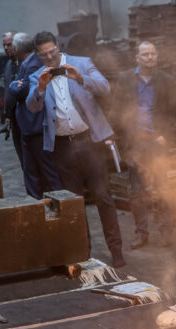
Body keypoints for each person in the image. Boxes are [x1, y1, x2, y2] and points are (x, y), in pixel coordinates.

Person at [26, 31, 124, 267]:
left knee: (103, 196)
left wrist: (81, 78)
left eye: (53, 52)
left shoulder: (82, 63)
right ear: (38, 56)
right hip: (62, 148)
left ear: (58, 46)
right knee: (74, 204)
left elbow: (104, 88)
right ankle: (84, 254)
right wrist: (40, 88)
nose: (50, 58)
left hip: (89, 142)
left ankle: (116, 251)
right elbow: (32, 107)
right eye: (44, 55)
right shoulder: (37, 76)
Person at [112, 41, 176, 249]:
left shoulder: (166, 81)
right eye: (145, 54)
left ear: (157, 56)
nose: (150, 57)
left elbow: (173, 112)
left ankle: (166, 231)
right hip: (135, 142)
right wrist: (123, 138)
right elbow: (117, 110)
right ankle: (141, 233)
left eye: (153, 54)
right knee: (137, 190)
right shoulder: (125, 79)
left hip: (157, 142)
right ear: (137, 58)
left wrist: (164, 135)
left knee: (163, 187)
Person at [8, 33, 62, 199]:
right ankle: (36, 205)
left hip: (36, 125)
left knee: (48, 172)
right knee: (31, 172)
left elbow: (23, 90)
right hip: (28, 127)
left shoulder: (34, 64)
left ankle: (62, 203)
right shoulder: (23, 63)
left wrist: (13, 85)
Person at [2, 30, 23, 166]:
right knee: (21, 154)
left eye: (9, 44)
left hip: (26, 117)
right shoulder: (9, 65)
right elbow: (7, 91)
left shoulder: (25, 64)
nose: (6, 48)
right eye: (4, 45)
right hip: (15, 119)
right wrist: (8, 115)